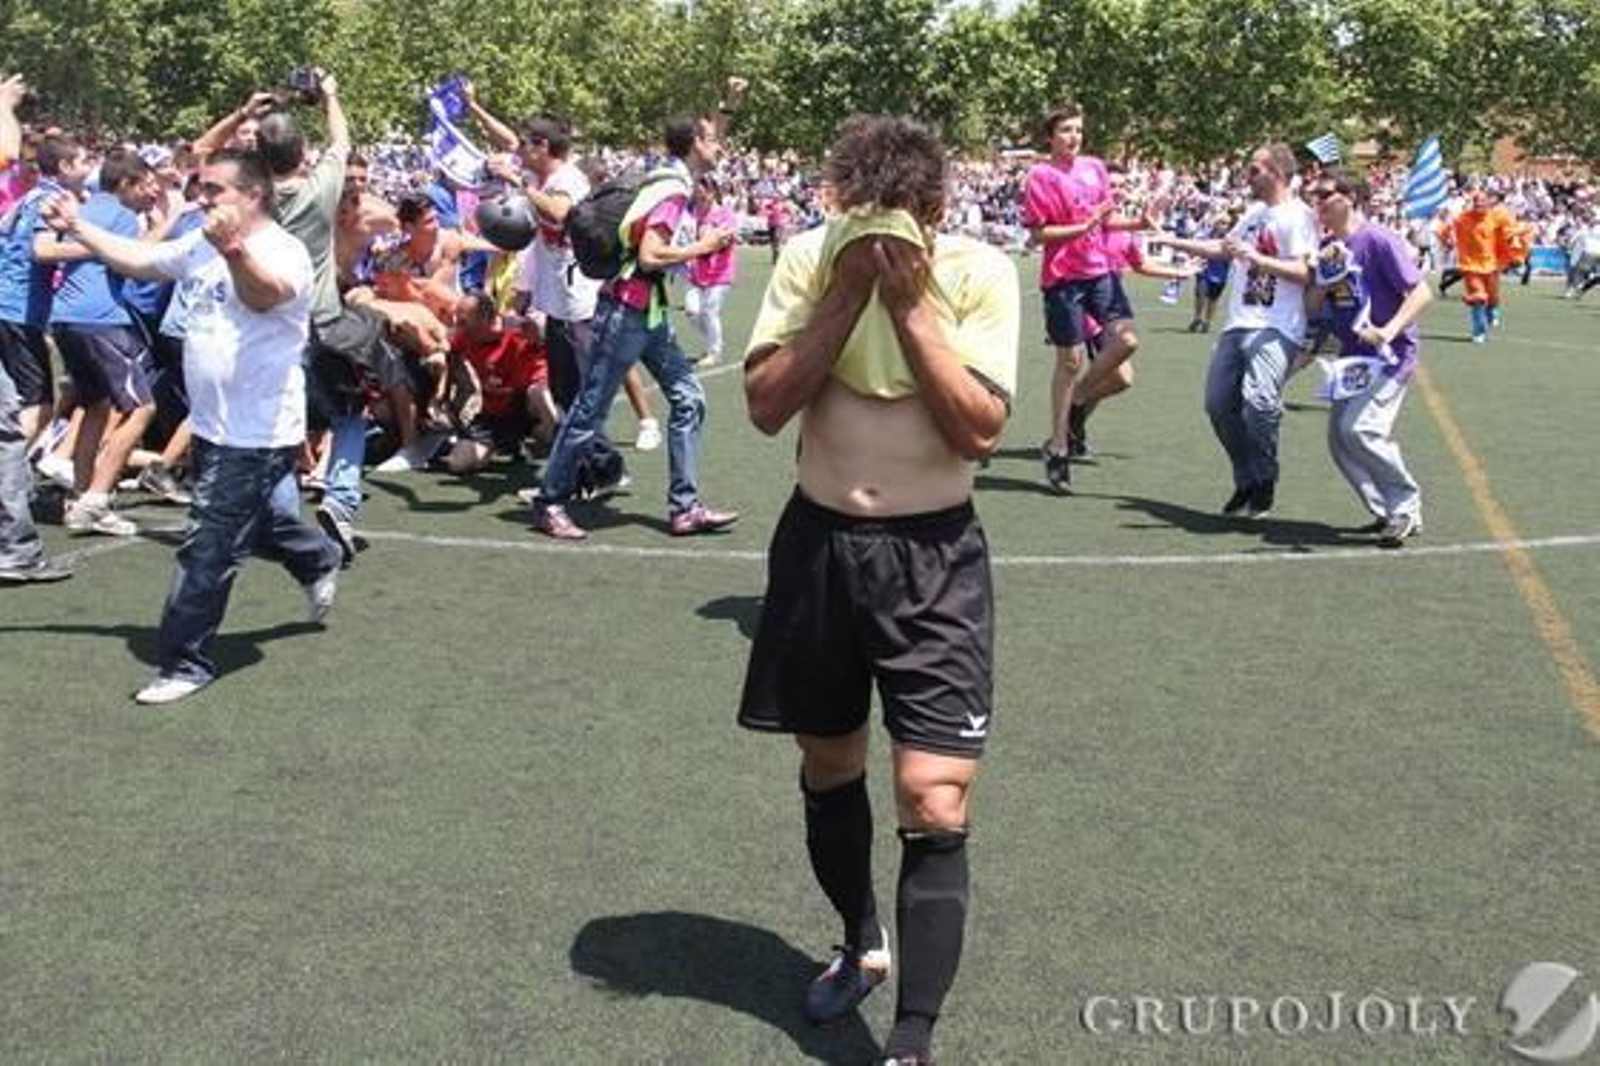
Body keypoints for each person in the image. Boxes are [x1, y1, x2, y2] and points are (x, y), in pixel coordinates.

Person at [740, 114, 1018, 1066]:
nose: (883, 233)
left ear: (938, 210)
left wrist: (906, 307)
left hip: (935, 557)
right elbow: (769, 405)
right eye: (864, 215)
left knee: (934, 795)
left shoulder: (978, 272)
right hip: (819, 549)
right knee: (829, 766)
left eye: (902, 217)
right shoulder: (810, 260)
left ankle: (911, 1038)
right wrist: (845, 293)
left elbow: (979, 428)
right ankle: (862, 941)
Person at [43, 149, 343, 704]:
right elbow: (140, 260)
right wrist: (79, 226)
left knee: (207, 546)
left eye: (214, 191)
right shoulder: (199, 242)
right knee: (261, 526)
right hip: (211, 426)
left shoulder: (284, 251)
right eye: (201, 189)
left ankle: (185, 662)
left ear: (253, 196)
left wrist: (232, 250)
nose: (200, 199)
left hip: (257, 432)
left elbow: (265, 296)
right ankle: (318, 555)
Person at [525, 94, 743, 541]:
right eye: (711, 138)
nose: (719, 145)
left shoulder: (676, 176)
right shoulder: (673, 190)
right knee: (588, 412)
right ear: (693, 144)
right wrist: (706, 245)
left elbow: (710, 137)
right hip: (626, 311)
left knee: (689, 399)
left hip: (649, 314)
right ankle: (549, 502)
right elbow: (650, 256)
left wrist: (728, 105)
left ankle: (685, 507)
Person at [1155, 142, 1318, 519]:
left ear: (1277, 174)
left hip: (1277, 325)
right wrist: (1170, 240)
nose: (1247, 176)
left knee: (1260, 401)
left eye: (1254, 170)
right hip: (1238, 323)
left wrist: (1260, 259)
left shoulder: (1298, 216)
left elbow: (1306, 273)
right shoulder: (1256, 211)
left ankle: (1265, 476)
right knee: (1218, 405)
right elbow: (1223, 247)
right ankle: (1247, 478)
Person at [1021, 103, 1154, 492]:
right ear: (1050, 136)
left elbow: (1107, 221)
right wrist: (1084, 226)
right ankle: (1058, 447)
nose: (1074, 136)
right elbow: (1039, 235)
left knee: (1127, 340)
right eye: (1065, 130)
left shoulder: (1095, 167)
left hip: (1099, 272)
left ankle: (1077, 402)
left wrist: (1139, 223)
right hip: (1062, 278)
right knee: (1070, 361)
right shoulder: (1040, 176)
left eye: (1078, 130)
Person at [1306, 170, 1433, 547]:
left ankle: (1405, 507)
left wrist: (1388, 330)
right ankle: (1385, 511)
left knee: (1359, 430)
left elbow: (1421, 292)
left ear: (1349, 197)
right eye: (1314, 198)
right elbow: (1313, 307)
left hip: (1390, 355)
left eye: (1325, 195)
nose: (1318, 204)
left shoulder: (1378, 240)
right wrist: (1324, 281)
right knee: (1339, 440)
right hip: (1353, 359)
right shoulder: (1330, 247)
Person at [0, 72, 71, 585]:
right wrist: (4, 103)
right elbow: (5, 151)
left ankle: (17, 545)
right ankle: (15, 547)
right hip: (14, 310)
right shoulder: (38, 195)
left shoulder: (26, 194)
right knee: (10, 426)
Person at [684, 175, 738, 365]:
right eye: (696, 194)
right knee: (692, 310)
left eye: (703, 193)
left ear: (712, 192)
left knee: (709, 311)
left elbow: (730, 236)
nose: (700, 197)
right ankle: (714, 342)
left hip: (720, 273)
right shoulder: (692, 214)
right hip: (696, 273)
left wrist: (716, 239)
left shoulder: (725, 213)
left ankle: (714, 352)